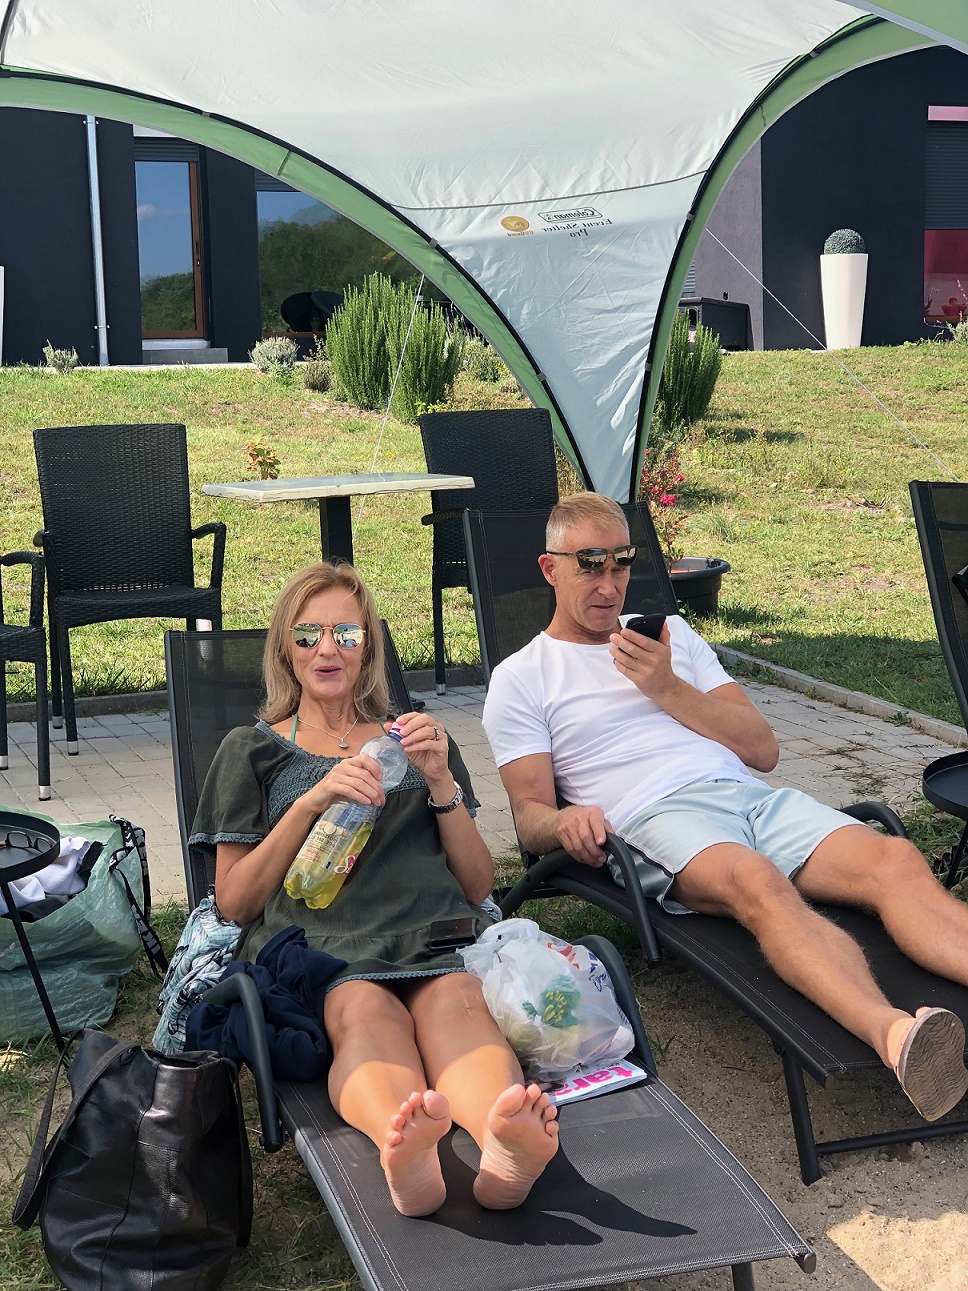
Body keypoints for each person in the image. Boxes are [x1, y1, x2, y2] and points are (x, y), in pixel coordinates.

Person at [482, 492, 968, 1123]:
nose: (609, 583)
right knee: (755, 880)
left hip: (749, 796)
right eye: (590, 564)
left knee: (894, 859)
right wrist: (563, 821)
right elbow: (529, 816)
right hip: (656, 816)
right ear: (550, 569)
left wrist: (666, 685)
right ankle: (898, 1038)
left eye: (621, 562)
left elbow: (761, 749)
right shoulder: (522, 677)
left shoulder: (671, 637)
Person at [190, 562, 558, 1216]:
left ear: (368, 647)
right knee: (364, 1012)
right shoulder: (252, 750)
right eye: (308, 634)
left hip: (434, 933)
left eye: (347, 633)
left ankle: (501, 1141)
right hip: (327, 946)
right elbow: (235, 902)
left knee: (459, 1005)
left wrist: (441, 782)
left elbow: (478, 885)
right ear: (285, 648)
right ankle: (402, 1142)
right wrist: (311, 803)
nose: (327, 648)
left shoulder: (415, 738)